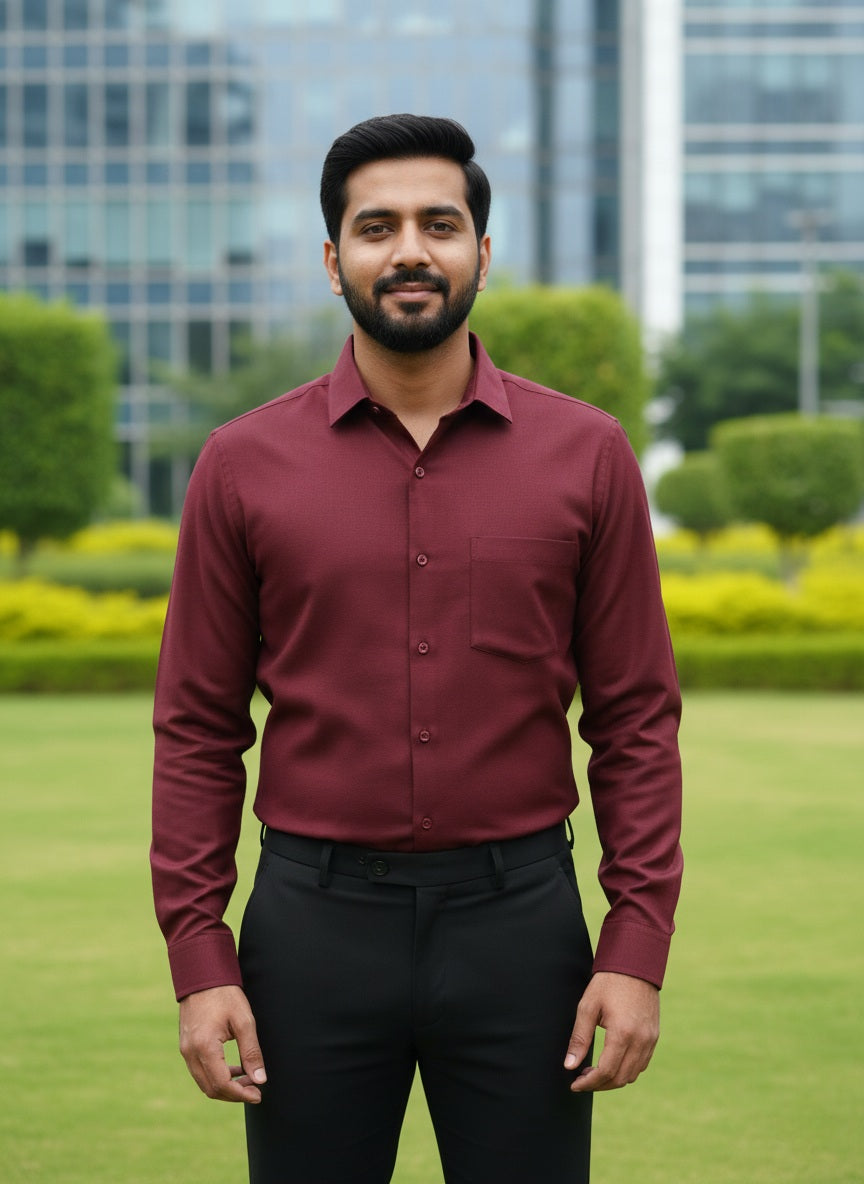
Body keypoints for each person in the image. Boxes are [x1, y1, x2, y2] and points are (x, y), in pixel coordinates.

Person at [151, 113, 683, 1184]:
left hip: (523, 929)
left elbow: (634, 718)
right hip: (310, 932)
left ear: (481, 253)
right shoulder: (242, 464)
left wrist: (635, 947)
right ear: (333, 256)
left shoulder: (587, 454)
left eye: (439, 224)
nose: (408, 251)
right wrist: (200, 957)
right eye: (376, 226)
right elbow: (199, 727)